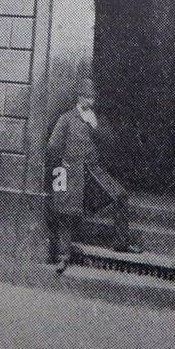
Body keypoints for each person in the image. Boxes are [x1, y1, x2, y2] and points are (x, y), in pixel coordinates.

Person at [46, 78, 142, 274]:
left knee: (120, 196)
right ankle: (63, 257)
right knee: (65, 212)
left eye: (91, 97)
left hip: (92, 171)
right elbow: (53, 146)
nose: (88, 100)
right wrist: (62, 168)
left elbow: (111, 143)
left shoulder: (96, 119)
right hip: (69, 172)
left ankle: (121, 243)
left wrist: (95, 126)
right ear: (78, 97)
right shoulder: (66, 119)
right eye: (85, 96)